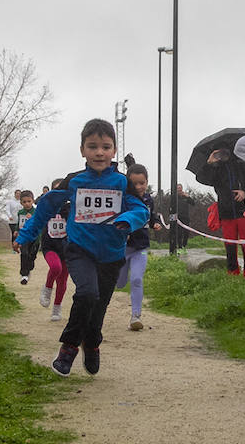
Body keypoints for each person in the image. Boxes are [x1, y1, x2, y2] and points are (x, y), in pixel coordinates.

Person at [17, 119, 148, 377]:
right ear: (82, 150)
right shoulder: (74, 181)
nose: (99, 152)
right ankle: (69, 346)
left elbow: (141, 210)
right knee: (87, 294)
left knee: (98, 307)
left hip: (111, 254)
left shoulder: (122, 182)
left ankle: (92, 343)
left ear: (114, 151)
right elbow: (45, 207)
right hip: (79, 250)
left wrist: (127, 220)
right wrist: (27, 235)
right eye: (92, 147)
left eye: (105, 147)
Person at [116, 161, 152, 331]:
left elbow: (152, 217)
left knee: (137, 279)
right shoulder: (122, 201)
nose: (138, 187)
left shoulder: (148, 200)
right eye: (134, 183)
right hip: (122, 249)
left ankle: (135, 316)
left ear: (147, 182)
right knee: (120, 283)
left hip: (141, 248)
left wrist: (156, 223)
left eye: (142, 183)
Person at [204, 148, 245, 274]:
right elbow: (207, 179)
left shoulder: (241, 164)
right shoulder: (216, 168)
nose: (223, 155)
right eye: (219, 153)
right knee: (229, 244)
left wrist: (244, 192)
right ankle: (232, 271)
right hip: (225, 211)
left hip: (242, 210)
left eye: (225, 152)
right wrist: (210, 162)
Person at [39, 177, 70, 323]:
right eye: (56, 190)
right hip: (49, 246)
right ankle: (47, 288)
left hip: (66, 248)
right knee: (55, 267)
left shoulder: (70, 208)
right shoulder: (46, 206)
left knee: (63, 281)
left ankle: (56, 308)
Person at [14, 190, 37, 283]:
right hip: (24, 236)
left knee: (31, 256)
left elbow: (40, 223)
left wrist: (32, 218)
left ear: (33, 201)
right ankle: (24, 275)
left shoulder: (36, 212)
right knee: (24, 253)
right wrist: (16, 230)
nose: (27, 204)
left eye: (29, 201)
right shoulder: (20, 212)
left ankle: (30, 265)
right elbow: (19, 223)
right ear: (21, 203)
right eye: (24, 202)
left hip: (35, 237)